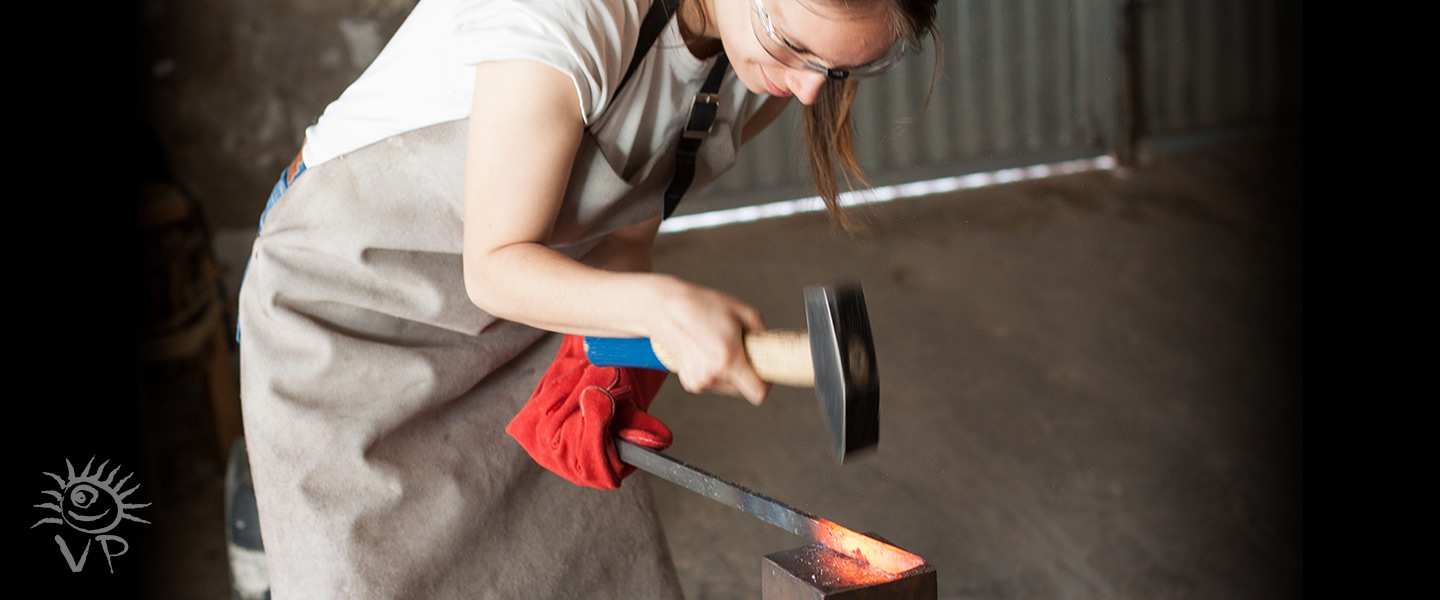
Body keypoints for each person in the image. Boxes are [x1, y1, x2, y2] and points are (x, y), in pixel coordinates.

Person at [237, 0, 938, 597]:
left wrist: (609, 352)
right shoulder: (571, 13)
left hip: (519, 327)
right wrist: (662, 311)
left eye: (839, 70)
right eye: (795, 47)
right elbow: (496, 264)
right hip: (350, 322)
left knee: (581, 571)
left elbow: (622, 232)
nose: (811, 90)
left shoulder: (755, 67)